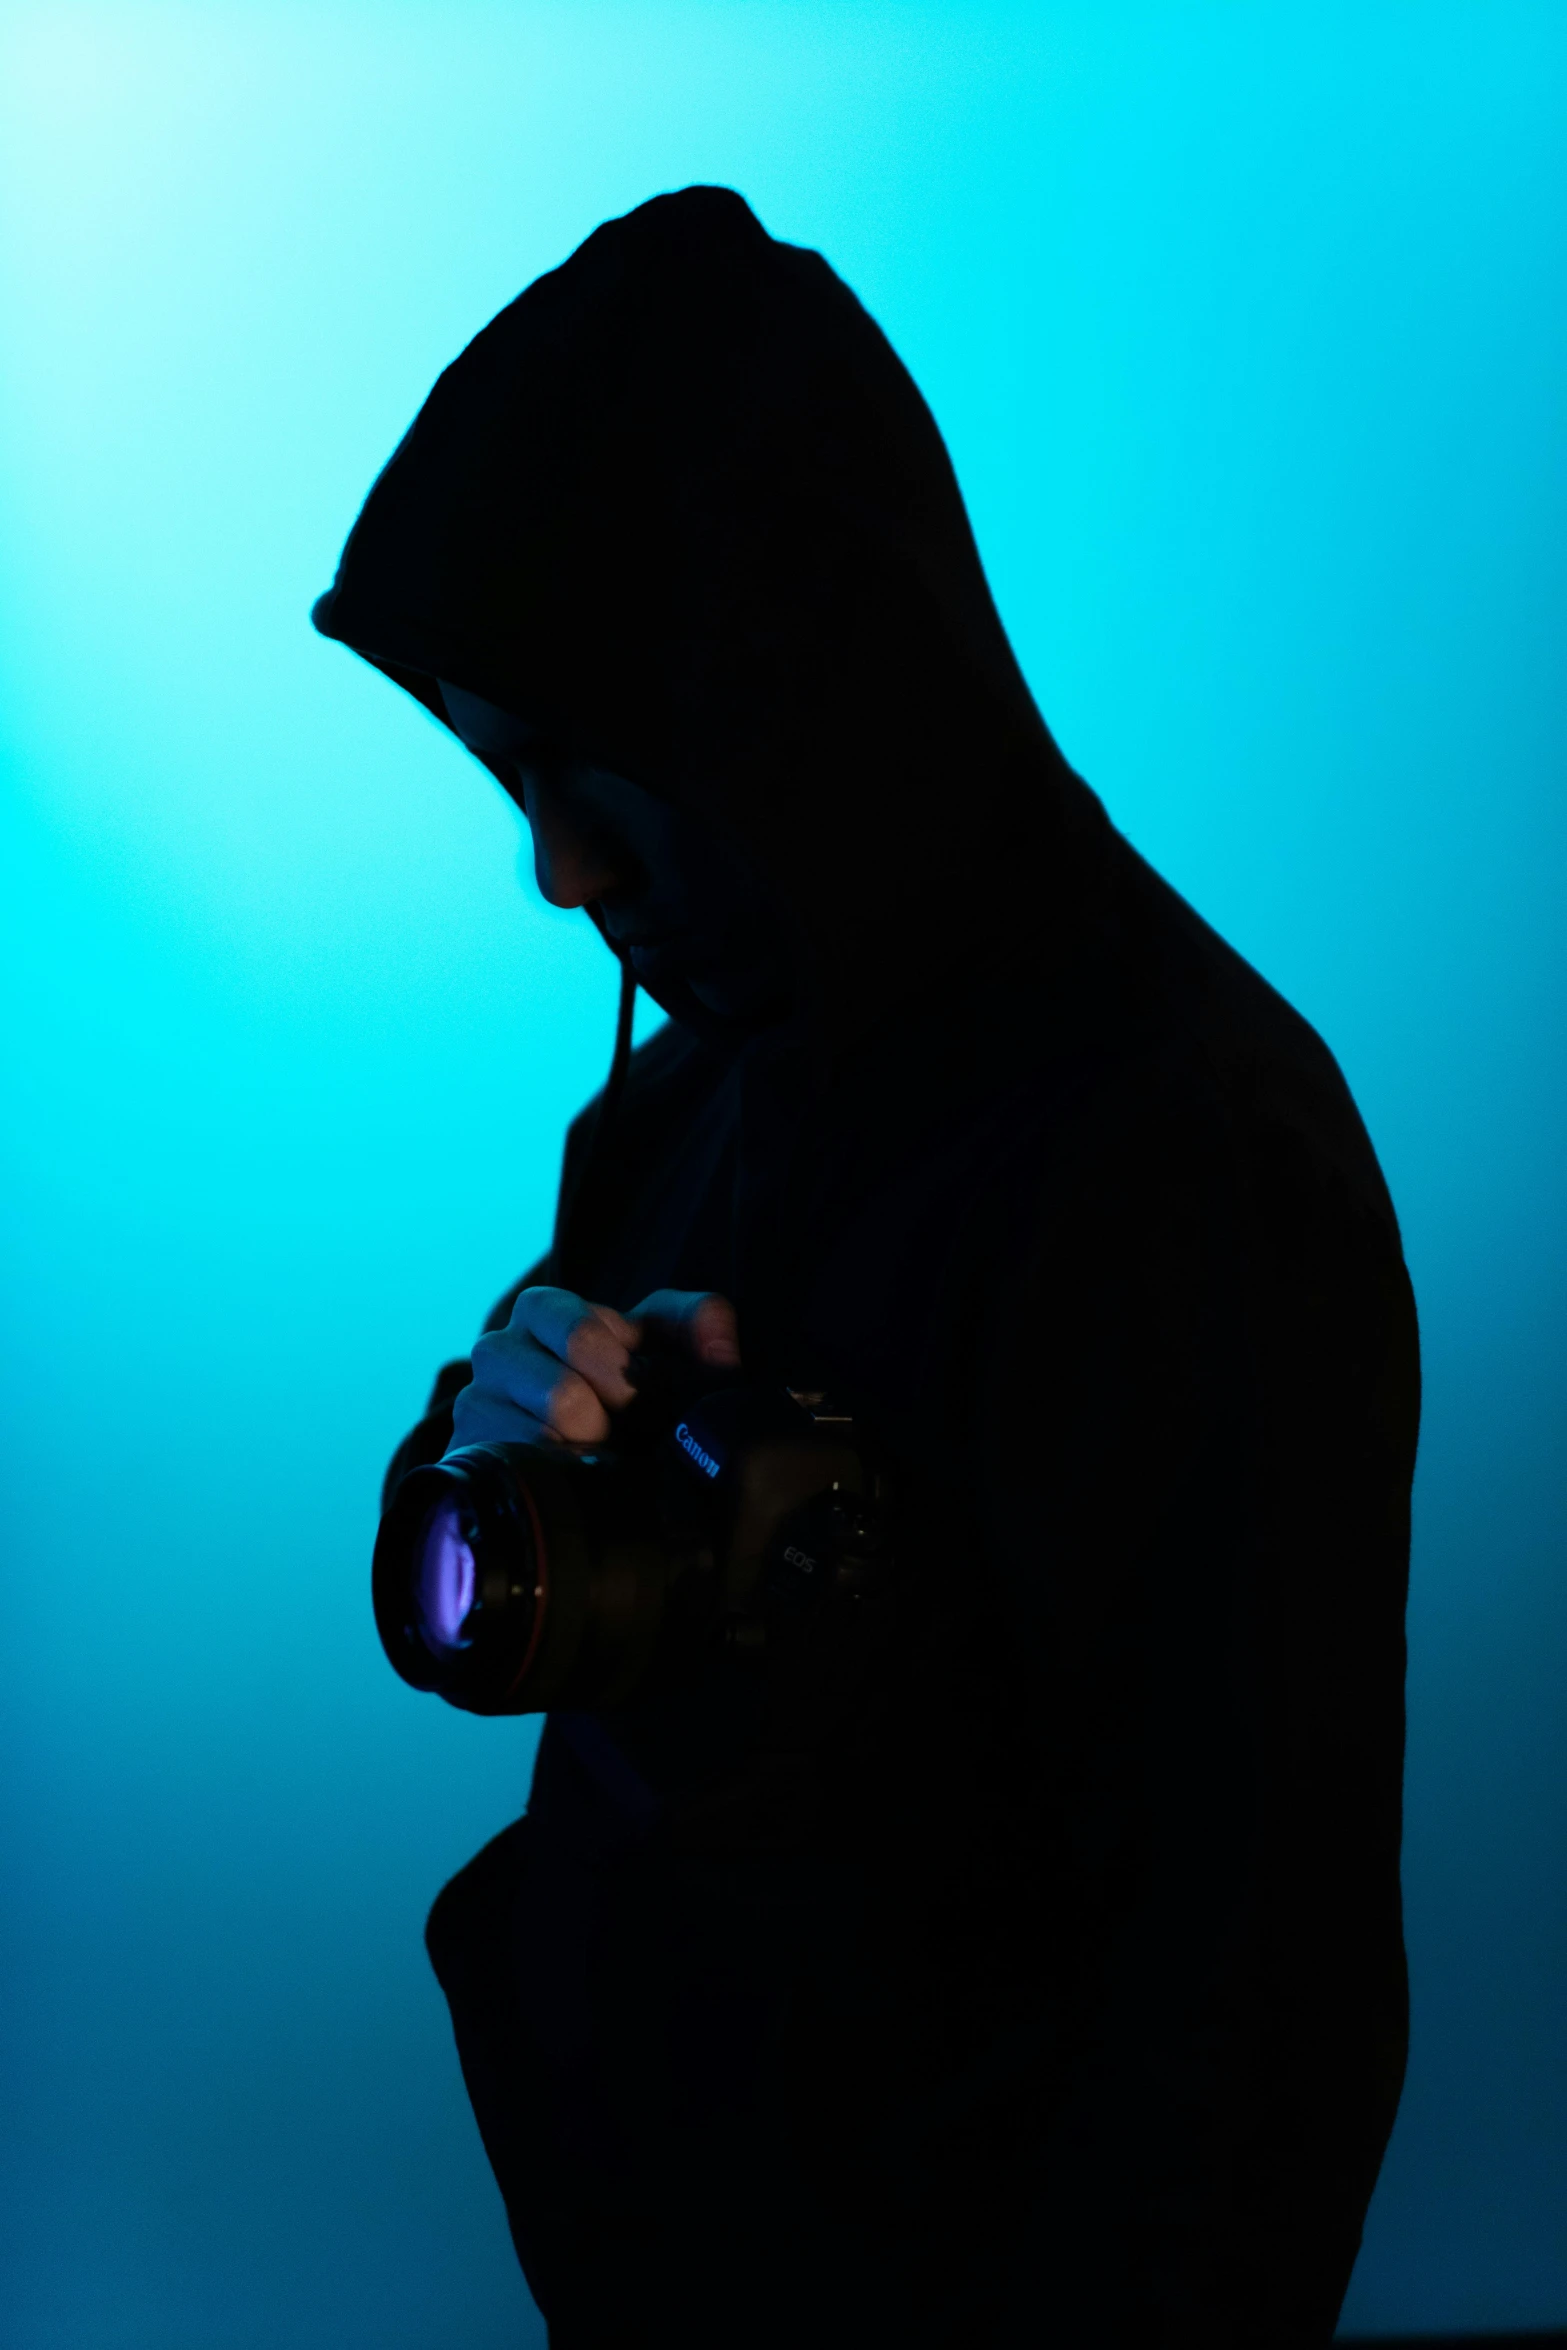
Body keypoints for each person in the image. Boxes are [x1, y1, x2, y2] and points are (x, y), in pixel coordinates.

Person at [311, 186, 1418, 2349]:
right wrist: (494, 1464)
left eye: (584, 768)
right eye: (506, 773)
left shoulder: (1194, 1152)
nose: (555, 867)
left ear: (782, 698)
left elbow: (1251, 2037)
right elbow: (491, 1589)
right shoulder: (702, 1076)